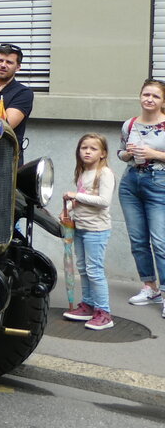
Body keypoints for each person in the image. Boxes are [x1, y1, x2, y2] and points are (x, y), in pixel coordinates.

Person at [117, 78, 165, 315]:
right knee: (138, 240)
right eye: (146, 94)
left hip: (159, 185)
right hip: (130, 184)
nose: (149, 99)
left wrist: (153, 153)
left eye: (155, 96)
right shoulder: (130, 124)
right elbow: (120, 151)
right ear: (140, 96)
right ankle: (150, 286)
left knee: (160, 242)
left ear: (163, 101)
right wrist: (127, 154)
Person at [60, 134, 116, 330]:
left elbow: (104, 201)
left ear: (103, 154)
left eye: (93, 148)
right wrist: (68, 210)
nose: (88, 151)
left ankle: (104, 312)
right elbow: (80, 201)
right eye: (84, 147)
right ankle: (88, 305)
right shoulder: (83, 173)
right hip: (81, 227)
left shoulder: (105, 173)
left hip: (96, 230)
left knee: (95, 270)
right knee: (83, 268)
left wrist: (77, 195)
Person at [0, 44, 33, 157]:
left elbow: (4, 127)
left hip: (6, 160)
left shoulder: (23, 93)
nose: (3, 65)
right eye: (0, 60)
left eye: (9, 62)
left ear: (18, 67)